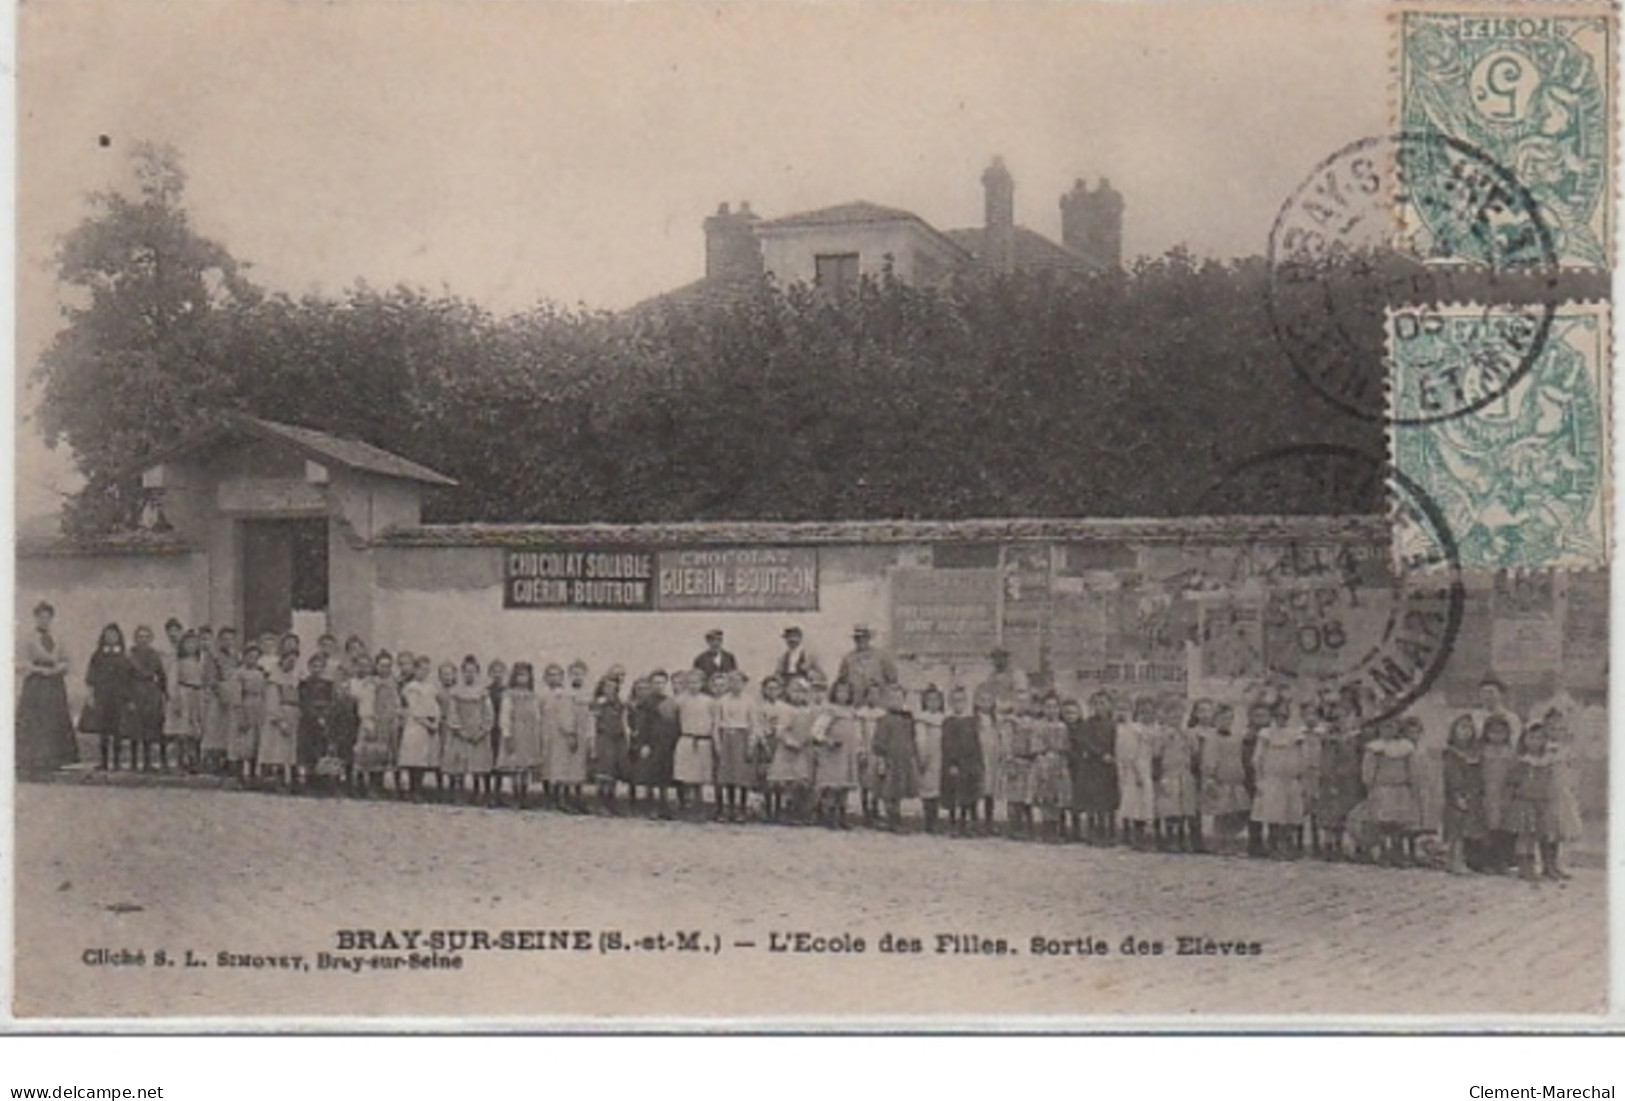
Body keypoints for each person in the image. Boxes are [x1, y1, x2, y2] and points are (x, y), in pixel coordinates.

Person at [16, 601, 76, 774]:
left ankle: (55, 758)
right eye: (41, 617)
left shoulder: (57, 637)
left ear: (51, 619)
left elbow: (66, 659)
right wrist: (39, 670)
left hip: (55, 683)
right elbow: (20, 663)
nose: (44, 621)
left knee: (54, 719)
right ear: (35, 618)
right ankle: (32, 759)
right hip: (36, 683)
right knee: (36, 720)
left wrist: (59, 668)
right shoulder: (28, 638)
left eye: (47, 617)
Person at [1251, 700, 1312, 859]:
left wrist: (1302, 775)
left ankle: (1288, 845)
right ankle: (1274, 846)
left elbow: (1303, 757)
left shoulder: (1296, 734)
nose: (1281, 719)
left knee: (1290, 813)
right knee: (1273, 813)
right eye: (1278, 715)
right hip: (1272, 778)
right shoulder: (1266, 733)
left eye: (1284, 715)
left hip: (1290, 779)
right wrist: (1260, 779)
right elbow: (1258, 758)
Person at [1506, 723, 1565, 883]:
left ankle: (1546, 866)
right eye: (1531, 737)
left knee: (1541, 834)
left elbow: (1551, 781)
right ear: (1524, 739)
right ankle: (1524, 866)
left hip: (1542, 802)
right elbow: (1511, 781)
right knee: (1525, 835)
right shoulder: (1521, 761)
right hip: (1524, 802)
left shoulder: (1547, 760)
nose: (1536, 742)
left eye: (1540, 738)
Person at [1307, 696, 1363, 860]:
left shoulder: (1355, 738)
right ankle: (1331, 845)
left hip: (1351, 780)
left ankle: (1353, 844)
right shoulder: (1329, 740)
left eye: (1342, 718)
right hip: (1333, 779)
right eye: (1334, 719)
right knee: (1331, 813)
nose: (1339, 722)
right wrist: (1329, 779)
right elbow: (1326, 761)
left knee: (1350, 812)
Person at [1362, 715, 1422, 866]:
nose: (1388, 730)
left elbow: (1413, 770)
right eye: (1384, 727)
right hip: (1382, 788)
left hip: (1400, 789)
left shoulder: (1406, 747)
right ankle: (1383, 852)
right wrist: (1370, 784)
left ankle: (1398, 852)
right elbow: (1368, 770)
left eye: (1392, 726)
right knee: (1383, 822)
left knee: (1399, 823)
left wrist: (1413, 786)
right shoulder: (1374, 748)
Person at [1197, 702, 1250, 855]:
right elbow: (1209, 760)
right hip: (1220, 779)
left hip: (1235, 778)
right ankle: (1220, 843)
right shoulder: (1212, 738)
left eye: (1229, 719)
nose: (1226, 722)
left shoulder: (1236, 737)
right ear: (1216, 720)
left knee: (1235, 812)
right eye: (1223, 719)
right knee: (1221, 813)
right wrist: (1210, 778)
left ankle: (1232, 842)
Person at [1069, 690, 1119, 845]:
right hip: (1092, 766)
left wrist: (1113, 755)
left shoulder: (1114, 725)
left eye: (1103, 703)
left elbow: (1118, 743)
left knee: (1108, 801)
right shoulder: (1087, 724)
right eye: (1096, 703)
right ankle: (1093, 832)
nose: (1099, 707)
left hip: (1109, 767)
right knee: (1092, 801)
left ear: (1110, 706)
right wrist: (1099, 754)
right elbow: (1085, 741)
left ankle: (1109, 832)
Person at [83, 623, 133, 771]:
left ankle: (116, 762)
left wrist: (129, 698)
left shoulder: (124, 656)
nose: (111, 637)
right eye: (108, 635)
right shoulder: (97, 656)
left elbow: (128, 679)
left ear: (119, 637)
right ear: (103, 637)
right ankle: (104, 761)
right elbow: (91, 677)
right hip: (103, 696)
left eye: (114, 635)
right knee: (103, 730)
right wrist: (91, 695)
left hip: (118, 696)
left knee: (118, 729)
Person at [870, 683, 919, 832]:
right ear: (886, 701)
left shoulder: (908, 719)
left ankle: (897, 817)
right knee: (888, 791)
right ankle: (892, 819)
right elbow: (878, 741)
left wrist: (913, 755)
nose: (895, 701)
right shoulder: (884, 720)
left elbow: (912, 738)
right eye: (892, 698)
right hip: (889, 761)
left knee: (898, 791)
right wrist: (881, 759)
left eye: (899, 698)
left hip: (903, 761)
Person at [630, 670, 679, 819]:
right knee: (650, 775)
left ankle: (663, 806)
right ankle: (650, 806)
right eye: (656, 683)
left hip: (666, 743)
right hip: (651, 743)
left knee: (664, 776)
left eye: (662, 683)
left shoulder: (669, 702)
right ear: (651, 684)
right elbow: (642, 725)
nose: (659, 686)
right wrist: (644, 744)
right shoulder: (646, 703)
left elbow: (673, 723)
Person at [447, 655, 494, 805]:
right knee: (459, 764)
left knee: (478, 765)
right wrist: (459, 730)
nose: (469, 674)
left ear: (477, 673)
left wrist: (483, 730)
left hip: (478, 732)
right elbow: (452, 713)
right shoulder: (456, 692)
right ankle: (458, 793)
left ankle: (477, 792)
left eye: (472, 671)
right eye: (466, 671)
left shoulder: (483, 692)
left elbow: (488, 713)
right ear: (462, 673)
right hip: (461, 732)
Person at [1442, 713, 1485, 875]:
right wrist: (1457, 794)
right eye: (1462, 728)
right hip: (1457, 793)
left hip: (1473, 793)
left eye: (1469, 728)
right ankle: (1454, 861)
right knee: (1455, 829)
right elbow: (1451, 776)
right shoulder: (1451, 753)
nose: (1465, 732)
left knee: (1466, 828)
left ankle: (1460, 860)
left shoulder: (1474, 753)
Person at [1153, 696, 1198, 852]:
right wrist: (1166, 738)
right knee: (1170, 808)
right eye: (1173, 716)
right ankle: (1169, 838)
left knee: (1184, 807)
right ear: (1166, 717)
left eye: (1180, 716)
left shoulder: (1189, 734)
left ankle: (1181, 837)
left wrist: (1187, 737)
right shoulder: (1162, 733)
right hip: (1169, 773)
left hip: (1184, 773)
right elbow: (1156, 753)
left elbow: (1195, 751)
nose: (1177, 720)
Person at [673, 669, 720, 819]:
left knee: (701, 776)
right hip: (687, 739)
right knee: (686, 776)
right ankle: (687, 805)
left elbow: (714, 723)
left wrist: (715, 741)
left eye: (696, 682)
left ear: (702, 684)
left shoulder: (709, 701)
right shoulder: (680, 700)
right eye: (690, 683)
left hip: (703, 740)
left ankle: (701, 806)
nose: (693, 686)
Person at [770, 677, 817, 824]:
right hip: (788, 750)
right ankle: (784, 812)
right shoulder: (785, 709)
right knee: (787, 781)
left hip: (804, 749)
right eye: (795, 691)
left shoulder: (809, 711)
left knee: (802, 781)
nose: (799, 695)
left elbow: (813, 729)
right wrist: (791, 742)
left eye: (803, 692)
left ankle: (801, 812)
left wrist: (809, 739)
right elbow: (780, 731)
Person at [496, 662, 542, 808]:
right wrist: (507, 734)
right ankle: (515, 795)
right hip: (516, 732)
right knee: (515, 766)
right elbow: (505, 716)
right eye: (520, 675)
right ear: (514, 677)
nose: (523, 679)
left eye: (526, 676)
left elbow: (537, 716)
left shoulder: (532, 696)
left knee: (526, 767)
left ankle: (524, 795)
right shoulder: (509, 695)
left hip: (529, 734)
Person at [123, 626, 167, 773]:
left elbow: (161, 675)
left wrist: (163, 694)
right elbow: (125, 679)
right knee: (135, 729)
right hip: (135, 691)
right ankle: (134, 763)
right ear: (135, 639)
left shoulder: (154, 655)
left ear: (150, 639)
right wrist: (128, 699)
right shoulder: (129, 656)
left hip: (150, 693)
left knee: (149, 728)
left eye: (146, 636)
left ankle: (147, 763)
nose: (143, 639)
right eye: (140, 636)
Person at [940, 685, 983, 837]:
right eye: (955, 701)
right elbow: (947, 744)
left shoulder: (971, 721)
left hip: (970, 763)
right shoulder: (948, 722)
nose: (959, 704)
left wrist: (978, 763)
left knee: (969, 794)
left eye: (961, 701)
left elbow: (976, 742)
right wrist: (951, 763)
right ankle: (953, 824)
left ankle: (967, 824)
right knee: (953, 794)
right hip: (954, 764)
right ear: (951, 703)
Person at [715, 669, 757, 822]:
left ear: (744, 684)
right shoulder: (723, 701)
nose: (735, 685)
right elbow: (717, 724)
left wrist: (751, 744)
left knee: (742, 776)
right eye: (731, 681)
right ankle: (729, 808)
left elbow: (753, 725)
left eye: (738, 681)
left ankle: (742, 809)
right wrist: (718, 744)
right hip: (727, 735)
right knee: (728, 776)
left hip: (742, 735)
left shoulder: (749, 701)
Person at [397, 657, 442, 801]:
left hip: (430, 724)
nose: (424, 673)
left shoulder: (430, 687)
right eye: (421, 669)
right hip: (416, 724)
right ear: (415, 669)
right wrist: (427, 723)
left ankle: (420, 788)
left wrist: (436, 721)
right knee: (413, 758)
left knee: (423, 758)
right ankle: (412, 789)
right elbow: (415, 708)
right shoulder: (411, 687)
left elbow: (435, 706)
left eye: (427, 670)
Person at [1116, 696, 1157, 849]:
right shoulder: (1130, 729)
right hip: (1134, 767)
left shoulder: (1147, 729)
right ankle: (1129, 835)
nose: (1146, 715)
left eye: (1149, 712)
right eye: (1143, 712)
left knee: (1143, 802)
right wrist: (1136, 770)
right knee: (1132, 801)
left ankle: (1143, 834)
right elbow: (1130, 752)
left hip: (1146, 766)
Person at [1479, 712, 1518, 874]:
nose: (1497, 736)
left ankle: (1503, 862)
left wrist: (1511, 790)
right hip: (1487, 792)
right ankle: (1487, 861)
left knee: (1504, 829)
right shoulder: (1482, 751)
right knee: (1487, 828)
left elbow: (1514, 773)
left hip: (1504, 793)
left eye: (1501, 732)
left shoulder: (1510, 751)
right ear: (1486, 733)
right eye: (1493, 732)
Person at [259, 649, 302, 790]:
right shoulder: (274, 679)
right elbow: (272, 703)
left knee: (288, 751)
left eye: (294, 660)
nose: (291, 663)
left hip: (292, 714)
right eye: (288, 659)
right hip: (279, 714)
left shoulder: (294, 679)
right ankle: (273, 778)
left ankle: (288, 779)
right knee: (275, 749)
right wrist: (279, 720)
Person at [590, 666, 630, 815]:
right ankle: (601, 802)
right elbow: (592, 722)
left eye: (613, 687)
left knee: (614, 769)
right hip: (604, 737)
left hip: (617, 738)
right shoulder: (599, 703)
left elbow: (624, 720)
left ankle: (611, 801)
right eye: (607, 686)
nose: (610, 689)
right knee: (604, 770)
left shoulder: (619, 703)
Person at [299, 652, 340, 793]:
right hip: (308, 720)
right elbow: (303, 701)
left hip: (324, 720)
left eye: (320, 666)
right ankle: (309, 780)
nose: (317, 669)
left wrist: (324, 717)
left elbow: (331, 702)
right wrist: (313, 715)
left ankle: (323, 781)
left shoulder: (328, 685)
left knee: (323, 748)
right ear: (309, 667)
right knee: (308, 750)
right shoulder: (304, 684)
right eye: (314, 666)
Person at [913, 684, 947, 834]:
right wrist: (922, 756)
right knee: (927, 787)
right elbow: (920, 739)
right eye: (929, 700)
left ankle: (935, 819)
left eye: (936, 700)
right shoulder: (922, 719)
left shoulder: (944, 719)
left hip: (941, 755)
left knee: (938, 788)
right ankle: (928, 820)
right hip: (927, 755)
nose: (933, 703)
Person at [835, 624, 899, 705]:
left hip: (878, 703)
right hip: (856, 703)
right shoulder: (848, 658)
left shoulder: (881, 656)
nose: (861, 641)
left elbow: (893, 678)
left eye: (863, 637)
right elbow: (842, 681)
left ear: (868, 638)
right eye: (857, 638)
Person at [235, 644, 269, 785]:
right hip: (246, 702)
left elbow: (265, 691)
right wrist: (240, 712)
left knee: (258, 739)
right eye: (250, 656)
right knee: (245, 741)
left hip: (259, 705)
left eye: (256, 657)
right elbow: (237, 694)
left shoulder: (262, 673)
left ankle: (256, 773)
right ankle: (242, 774)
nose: (253, 660)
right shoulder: (240, 673)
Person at [975, 647, 1030, 713]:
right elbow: (988, 694)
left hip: (1013, 712)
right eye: (994, 658)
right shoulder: (992, 676)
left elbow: (1021, 697)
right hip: (994, 713)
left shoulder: (1017, 675)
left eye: (1000, 657)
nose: (997, 661)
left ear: (1006, 659)